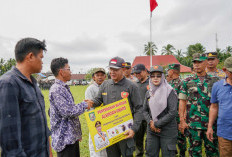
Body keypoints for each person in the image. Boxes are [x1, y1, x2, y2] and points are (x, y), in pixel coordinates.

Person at [0, 38, 51, 157]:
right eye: (41, 57)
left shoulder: (33, 83)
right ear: (30, 56)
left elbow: (42, 123)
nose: (42, 62)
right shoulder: (9, 83)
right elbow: (10, 142)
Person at [85, 56, 143, 157]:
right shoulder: (105, 84)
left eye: (115, 69)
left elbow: (139, 109)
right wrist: (91, 102)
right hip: (109, 131)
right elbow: (98, 100)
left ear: (123, 69)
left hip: (125, 131)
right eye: (111, 69)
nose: (112, 72)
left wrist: (134, 129)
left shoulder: (131, 86)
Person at [179, 53, 219, 157]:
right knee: (194, 152)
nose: (196, 65)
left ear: (206, 63)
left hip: (211, 124)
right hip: (193, 124)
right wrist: (182, 121)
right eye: (195, 62)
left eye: (199, 62)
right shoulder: (187, 81)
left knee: (213, 152)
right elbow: (182, 101)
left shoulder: (215, 81)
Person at [49, 57, 90, 157]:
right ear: (61, 72)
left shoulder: (63, 87)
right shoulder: (57, 89)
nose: (71, 72)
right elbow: (68, 112)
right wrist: (84, 105)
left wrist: (76, 135)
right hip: (64, 141)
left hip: (70, 138)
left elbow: (69, 110)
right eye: (69, 69)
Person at [143, 65, 178, 157]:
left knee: (168, 154)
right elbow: (144, 110)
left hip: (168, 130)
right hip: (152, 131)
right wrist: (150, 122)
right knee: (150, 154)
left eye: (158, 75)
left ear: (162, 76)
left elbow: (172, 112)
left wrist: (156, 124)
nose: (155, 78)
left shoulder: (170, 91)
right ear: (150, 77)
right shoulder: (149, 92)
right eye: (153, 76)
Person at [206, 56, 232, 157]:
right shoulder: (217, 86)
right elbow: (214, 107)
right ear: (225, 70)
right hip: (225, 132)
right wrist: (210, 126)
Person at [85, 68, 107, 157]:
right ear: (94, 77)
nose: (100, 77)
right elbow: (89, 107)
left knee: (105, 142)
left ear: (105, 77)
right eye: (97, 75)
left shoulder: (106, 87)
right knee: (95, 143)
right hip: (95, 121)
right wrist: (94, 121)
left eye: (102, 75)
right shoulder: (90, 89)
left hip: (106, 119)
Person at [167, 64, 186, 157]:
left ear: (172, 71)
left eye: (168, 70)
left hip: (179, 115)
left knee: (181, 137)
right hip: (170, 115)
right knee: (171, 136)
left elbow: (183, 100)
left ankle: (182, 153)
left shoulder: (182, 83)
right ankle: (173, 152)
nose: (167, 72)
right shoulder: (169, 83)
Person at [133, 63, 150, 157]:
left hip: (149, 117)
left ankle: (148, 154)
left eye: (139, 73)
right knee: (138, 139)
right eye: (135, 73)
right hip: (138, 117)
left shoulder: (152, 83)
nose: (137, 75)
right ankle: (139, 154)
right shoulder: (134, 85)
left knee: (149, 139)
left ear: (145, 71)